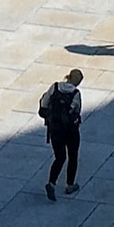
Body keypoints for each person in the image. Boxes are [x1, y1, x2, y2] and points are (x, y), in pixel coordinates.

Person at [39, 69, 83, 202]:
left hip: (55, 129)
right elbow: (77, 110)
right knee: (73, 156)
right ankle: (70, 185)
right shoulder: (76, 93)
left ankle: (51, 183)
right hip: (70, 130)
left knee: (59, 157)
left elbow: (43, 104)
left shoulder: (55, 87)